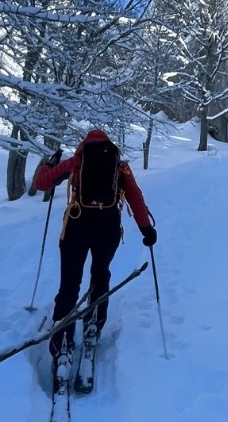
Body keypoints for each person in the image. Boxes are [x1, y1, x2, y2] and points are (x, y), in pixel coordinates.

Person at [31, 129, 156, 391]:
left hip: (76, 224)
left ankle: (62, 344)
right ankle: (93, 328)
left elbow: (42, 183)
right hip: (107, 227)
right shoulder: (120, 167)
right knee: (101, 274)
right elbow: (135, 197)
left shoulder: (77, 161)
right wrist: (147, 230)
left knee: (70, 284)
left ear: (84, 145)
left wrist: (45, 165)